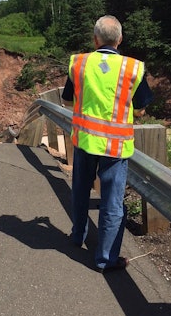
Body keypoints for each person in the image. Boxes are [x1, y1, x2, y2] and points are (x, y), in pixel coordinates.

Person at [62, 15, 153, 273]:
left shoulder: (80, 63)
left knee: (80, 191)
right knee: (112, 203)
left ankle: (77, 236)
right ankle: (104, 259)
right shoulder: (132, 68)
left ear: (95, 39)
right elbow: (141, 110)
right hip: (115, 147)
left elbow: (68, 101)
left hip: (85, 142)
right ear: (120, 39)